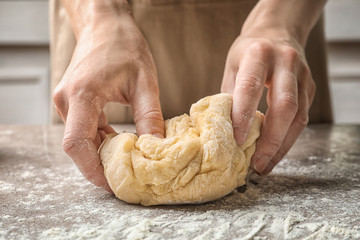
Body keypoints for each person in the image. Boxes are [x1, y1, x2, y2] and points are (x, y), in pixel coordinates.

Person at [50, 0, 332, 192]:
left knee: (282, 107)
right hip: (103, 32)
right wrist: (100, 16)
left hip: (276, 30)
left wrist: (281, 20)